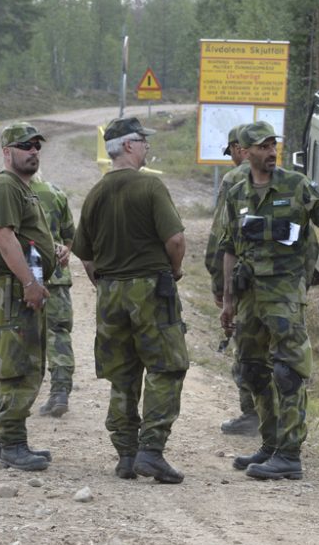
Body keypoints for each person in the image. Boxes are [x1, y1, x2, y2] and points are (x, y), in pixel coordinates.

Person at [219, 121, 319, 481]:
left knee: (288, 371)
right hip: (249, 296)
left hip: (284, 296)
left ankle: (290, 453)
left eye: (273, 146)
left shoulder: (295, 185)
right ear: (245, 152)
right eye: (262, 147)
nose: (270, 152)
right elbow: (228, 247)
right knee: (252, 369)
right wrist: (228, 300)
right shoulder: (235, 189)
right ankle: (270, 444)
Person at [72, 116, 189, 484]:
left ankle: (126, 455)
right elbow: (176, 241)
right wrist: (174, 270)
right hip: (150, 288)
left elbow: (85, 255)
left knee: (122, 373)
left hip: (110, 291)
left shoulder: (95, 194)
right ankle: (151, 451)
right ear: (127, 145)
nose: (146, 147)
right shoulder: (150, 188)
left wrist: (104, 284)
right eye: (142, 140)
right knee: (166, 367)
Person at [0, 122, 56, 471]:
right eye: (26, 146)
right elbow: (3, 238)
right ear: (7, 152)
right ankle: (11, 443)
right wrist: (29, 283)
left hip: (14, 287)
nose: (33, 152)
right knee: (19, 366)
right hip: (12, 290)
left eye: (37, 146)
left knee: (12, 364)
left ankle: (5, 442)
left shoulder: (18, 188)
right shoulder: (5, 187)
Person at [205, 124, 259, 436]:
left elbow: (220, 235)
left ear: (240, 149)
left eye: (231, 153)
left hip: (243, 281)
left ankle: (251, 413)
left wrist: (218, 286)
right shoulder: (287, 179)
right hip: (280, 283)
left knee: (247, 346)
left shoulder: (233, 180)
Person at [31, 175, 76, 418]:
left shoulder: (7, 191)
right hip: (57, 276)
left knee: (25, 334)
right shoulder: (55, 192)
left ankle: (21, 394)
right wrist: (63, 248)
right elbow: (71, 235)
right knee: (58, 333)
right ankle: (60, 392)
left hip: (23, 276)